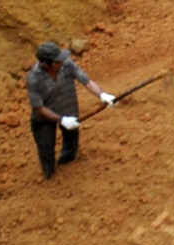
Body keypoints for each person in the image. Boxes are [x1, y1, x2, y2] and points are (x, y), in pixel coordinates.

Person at [24, 41, 113, 179]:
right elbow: (38, 107)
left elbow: (86, 81)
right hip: (44, 119)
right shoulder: (33, 78)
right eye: (57, 62)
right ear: (45, 64)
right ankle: (50, 174)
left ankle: (67, 160)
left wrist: (102, 95)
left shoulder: (66, 64)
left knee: (71, 140)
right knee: (45, 148)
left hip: (68, 109)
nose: (62, 62)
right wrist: (61, 120)